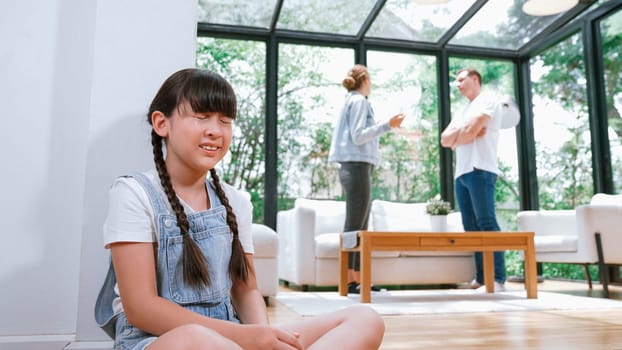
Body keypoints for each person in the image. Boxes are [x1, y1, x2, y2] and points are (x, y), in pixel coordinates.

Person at [95, 68, 385, 350]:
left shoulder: (235, 201)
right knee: (195, 339)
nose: (215, 131)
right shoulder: (133, 193)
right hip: (160, 340)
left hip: (233, 338)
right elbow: (141, 308)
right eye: (201, 117)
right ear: (162, 124)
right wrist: (244, 338)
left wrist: (263, 337)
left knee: (364, 319)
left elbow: (246, 290)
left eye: (225, 120)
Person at [328, 64, 405, 294]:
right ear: (366, 80)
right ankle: (353, 281)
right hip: (357, 166)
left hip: (355, 166)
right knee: (356, 226)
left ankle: (357, 280)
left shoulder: (351, 100)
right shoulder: (359, 101)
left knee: (358, 224)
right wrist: (388, 125)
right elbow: (359, 135)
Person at [440, 68, 506, 292]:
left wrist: (458, 138)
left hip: (481, 168)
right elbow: (444, 139)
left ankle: (497, 279)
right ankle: (481, 278)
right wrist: (462, 133)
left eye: (461, 80)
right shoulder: (463, 110)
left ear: (475, 79)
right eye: (456, 81)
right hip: (462, 173)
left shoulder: (486, 99)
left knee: (487, 223)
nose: (457, 84)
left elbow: (466, 134)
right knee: (471, 228)